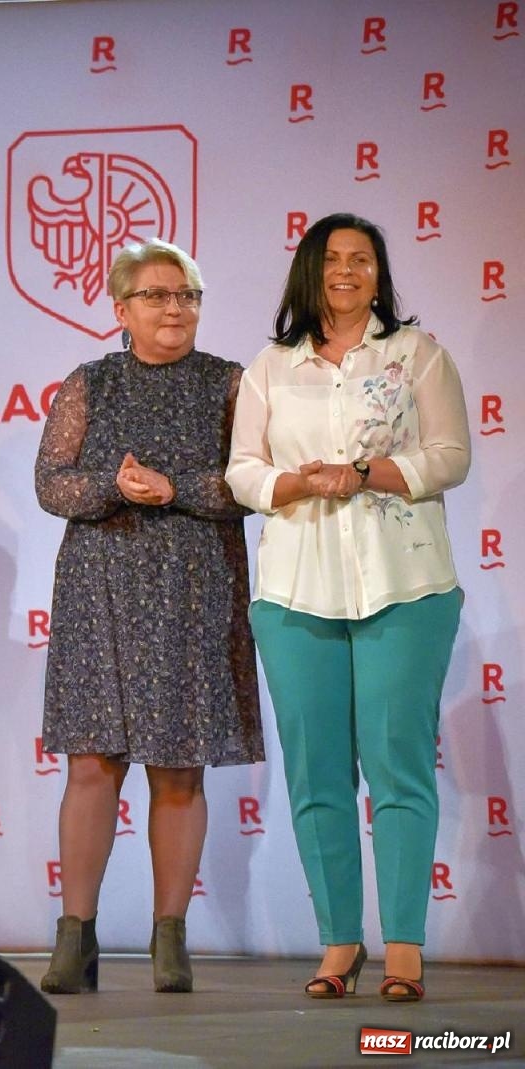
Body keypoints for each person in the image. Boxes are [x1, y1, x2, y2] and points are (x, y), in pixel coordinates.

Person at [227, 214, 468, 1003]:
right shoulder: (270, 366)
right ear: (309, 271)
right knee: (317, 773)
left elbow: (449, 455)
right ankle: (339, 943)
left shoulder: (417, 354)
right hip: (296, 592)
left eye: (363, 259)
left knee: (397, 767)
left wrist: (365, 470)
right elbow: (242, 473)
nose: (348, 270)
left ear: (379, 273)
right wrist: (297, 483)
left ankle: (403, 948)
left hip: (406, 584)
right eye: (334, 259)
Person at [34, 239, 262, 995]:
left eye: (187, 294)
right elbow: (51, 484)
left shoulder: (230, 383)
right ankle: (76, 935)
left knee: (178, 765)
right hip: (100, 589)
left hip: (192, 589)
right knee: (92, 763)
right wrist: (113, 483)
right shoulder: (90, 383)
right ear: (121, 309)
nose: (176, 308)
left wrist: (178, 487)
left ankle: (171, 936)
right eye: (159, 295)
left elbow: (253, 484)